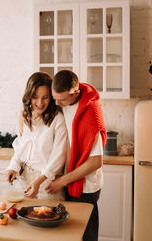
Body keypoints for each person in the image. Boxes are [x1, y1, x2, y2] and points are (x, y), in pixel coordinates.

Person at [46, 70, 106, 241]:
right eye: (54, 97)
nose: (56, 103)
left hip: (84, 187)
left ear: (76, 93)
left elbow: (95, 162)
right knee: (68, 235)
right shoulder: (64, 104)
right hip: (68, 181)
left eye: (61, 99)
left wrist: (63, 181)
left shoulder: (90, 113)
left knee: (86, 236)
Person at [4, 72, 68, 200]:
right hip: (25, 180)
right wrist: (13, 167)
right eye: (35, 97)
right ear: (29, 96)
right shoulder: (24, 116)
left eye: (45, 97)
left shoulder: (58, 120)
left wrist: (39, 182)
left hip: (48, 183)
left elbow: (58, 158)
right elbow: (20, 149)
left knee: (47, 217)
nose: (40, 103)